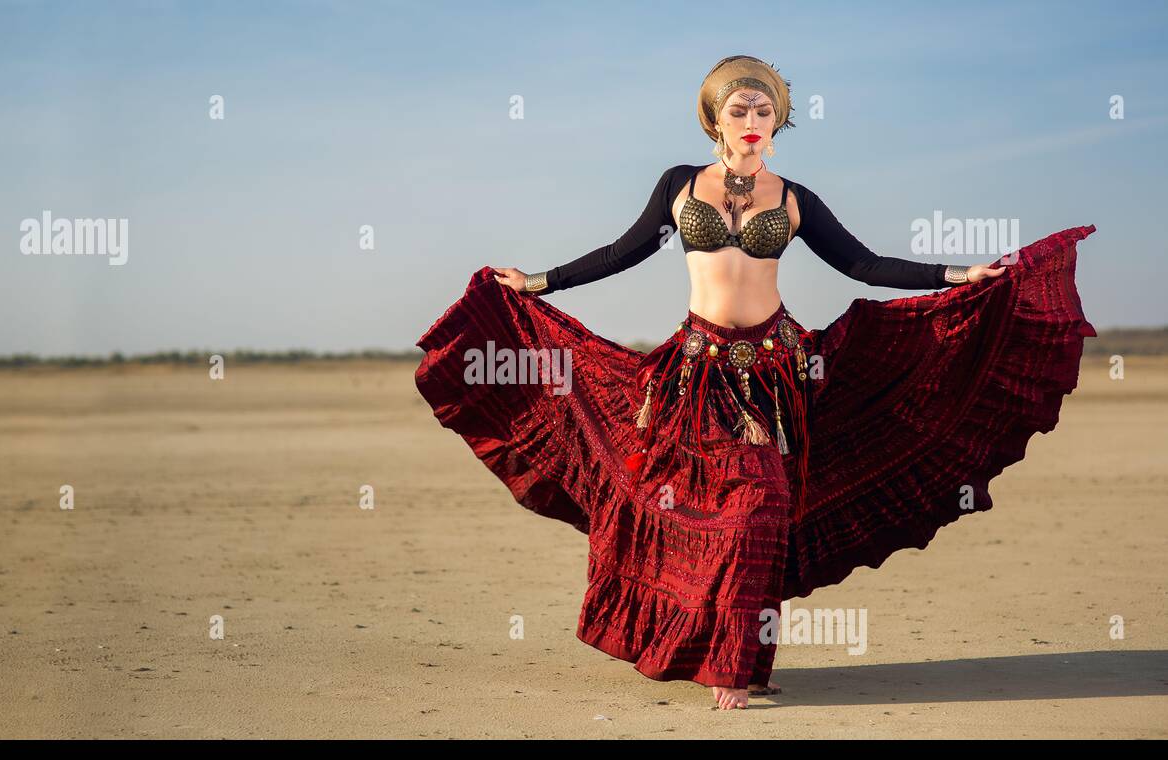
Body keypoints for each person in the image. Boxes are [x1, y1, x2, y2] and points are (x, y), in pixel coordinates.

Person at [414, 55, 1097, 710]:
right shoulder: (680, 185)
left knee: (765, 507)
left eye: (764, 109)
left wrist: (957, 276)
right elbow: (623, 252)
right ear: (715, 119)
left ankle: (740, 661)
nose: (752, 116)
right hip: (697, 372)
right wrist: (535, 282)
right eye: (739, 106)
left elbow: (863, 264)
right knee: (714, 512)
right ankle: (716, 655)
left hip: (777, 373)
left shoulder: (794, 198)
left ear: (778, 123)